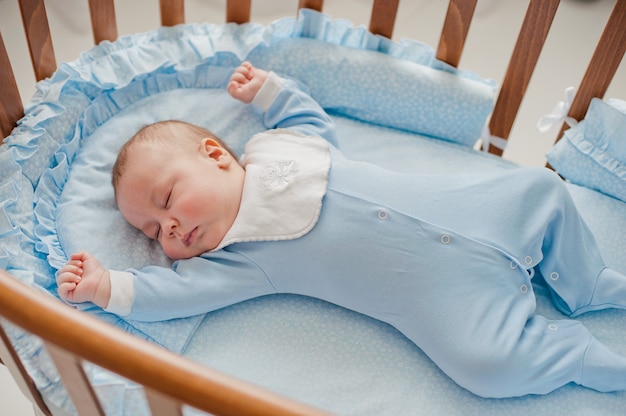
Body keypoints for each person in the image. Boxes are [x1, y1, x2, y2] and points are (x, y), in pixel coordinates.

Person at [57, 62, 626, 399]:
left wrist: (268, 90)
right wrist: (108, 286)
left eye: (167, 201)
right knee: (487, 367)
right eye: (153, 231)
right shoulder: (237, 259)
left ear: (215, 155)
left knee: (542, 190)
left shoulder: (281, 148)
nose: (169, 229)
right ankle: (585, 359)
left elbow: (307, 120)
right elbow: (174, 294)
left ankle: (588, 282)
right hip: (446, 298)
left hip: (478, 208)